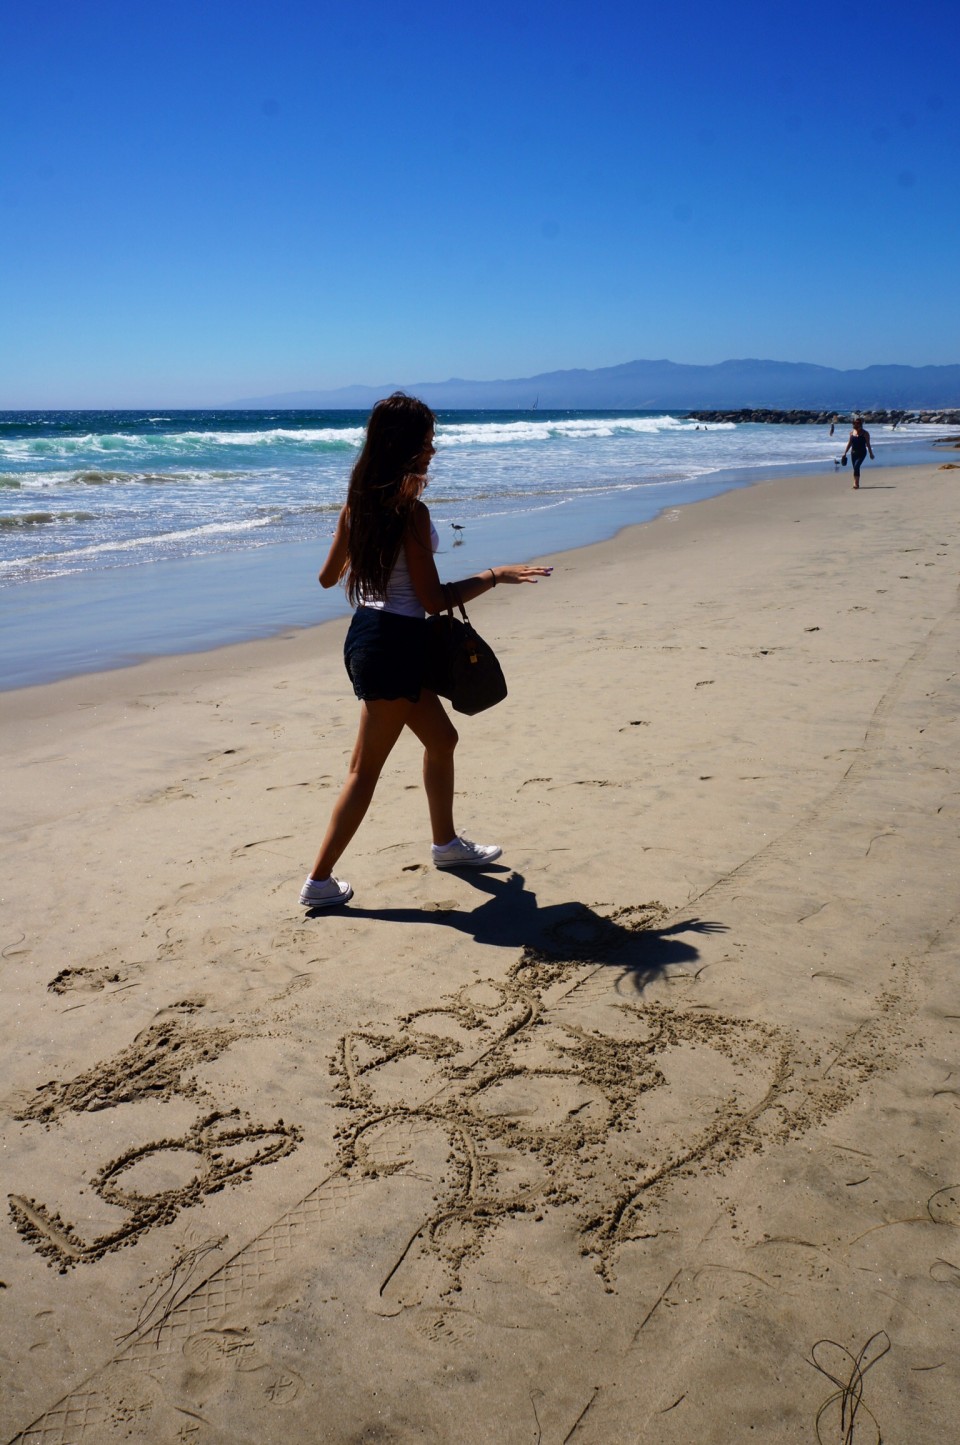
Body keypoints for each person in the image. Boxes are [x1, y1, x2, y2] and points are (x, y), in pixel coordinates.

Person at [300, 393, 552, 909]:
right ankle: (318, 881)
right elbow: (434, 600)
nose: (433, 450)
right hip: (392, 643)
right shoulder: (409, 514)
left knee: (442, 738)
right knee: (363, 771)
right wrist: (495, 576)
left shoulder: (359, 507)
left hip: (371, 634)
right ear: (405, 447)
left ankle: (446, 845)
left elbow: (328, 579)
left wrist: (366, 542)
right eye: (427, 441)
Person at [841, 416, 874, 489]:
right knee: (855, 468)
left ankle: (855, 483)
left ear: (860, 424)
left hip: (862, 453)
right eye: (854, 423)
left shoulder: (865, 433)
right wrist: (845, 453)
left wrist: (870, 453)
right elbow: (849, 444)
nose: (855, 425)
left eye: (857, 423)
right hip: (853, 453)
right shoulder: (851, 433)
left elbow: (868, 444)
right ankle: (857, 482)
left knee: (856, 466)